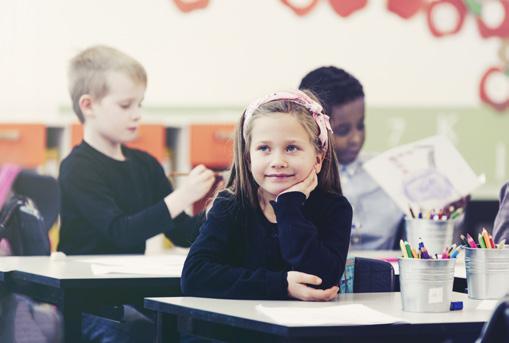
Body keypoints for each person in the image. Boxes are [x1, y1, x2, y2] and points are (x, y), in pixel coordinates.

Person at [59, 45, 217, 342]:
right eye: (125, 105)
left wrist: (220, 206)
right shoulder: (77, 168)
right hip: (89, 301)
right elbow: (120, 232)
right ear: (88, 105)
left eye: (140, 105)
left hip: (132, 293)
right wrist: (182, 196)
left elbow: (182, 233)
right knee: (137, 332)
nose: (137, 115)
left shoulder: (145, 164)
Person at [181, 90, 352, 301]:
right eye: (264, 148)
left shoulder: (334, 209)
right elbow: (194, 276)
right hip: (235, 330)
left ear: (318, 158)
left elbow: (321, 280)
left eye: (291, 148)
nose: (277, 161)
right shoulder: (231, 205)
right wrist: (281, 285)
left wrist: (289, 206)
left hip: (302, 331)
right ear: (249, 158)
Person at [299, 66, 404, 250]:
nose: (356, 139)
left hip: (384, 275)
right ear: (312, 127)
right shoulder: (296, 178)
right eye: (343, 130)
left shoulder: (389, 171)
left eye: (361, 125)